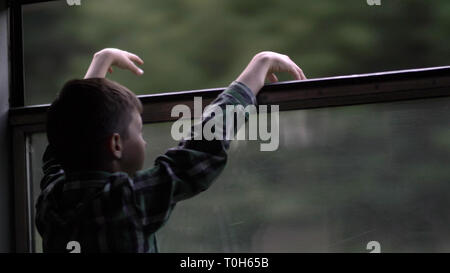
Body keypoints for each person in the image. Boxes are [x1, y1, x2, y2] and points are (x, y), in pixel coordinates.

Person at [35, 48, 306, 252]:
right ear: (116, 145)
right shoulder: (126, 200)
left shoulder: (51, 200)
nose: (144, 142)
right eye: (139, 133)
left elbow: (61, 148)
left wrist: (99, 64)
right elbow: (199, 151)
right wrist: (258, 67)